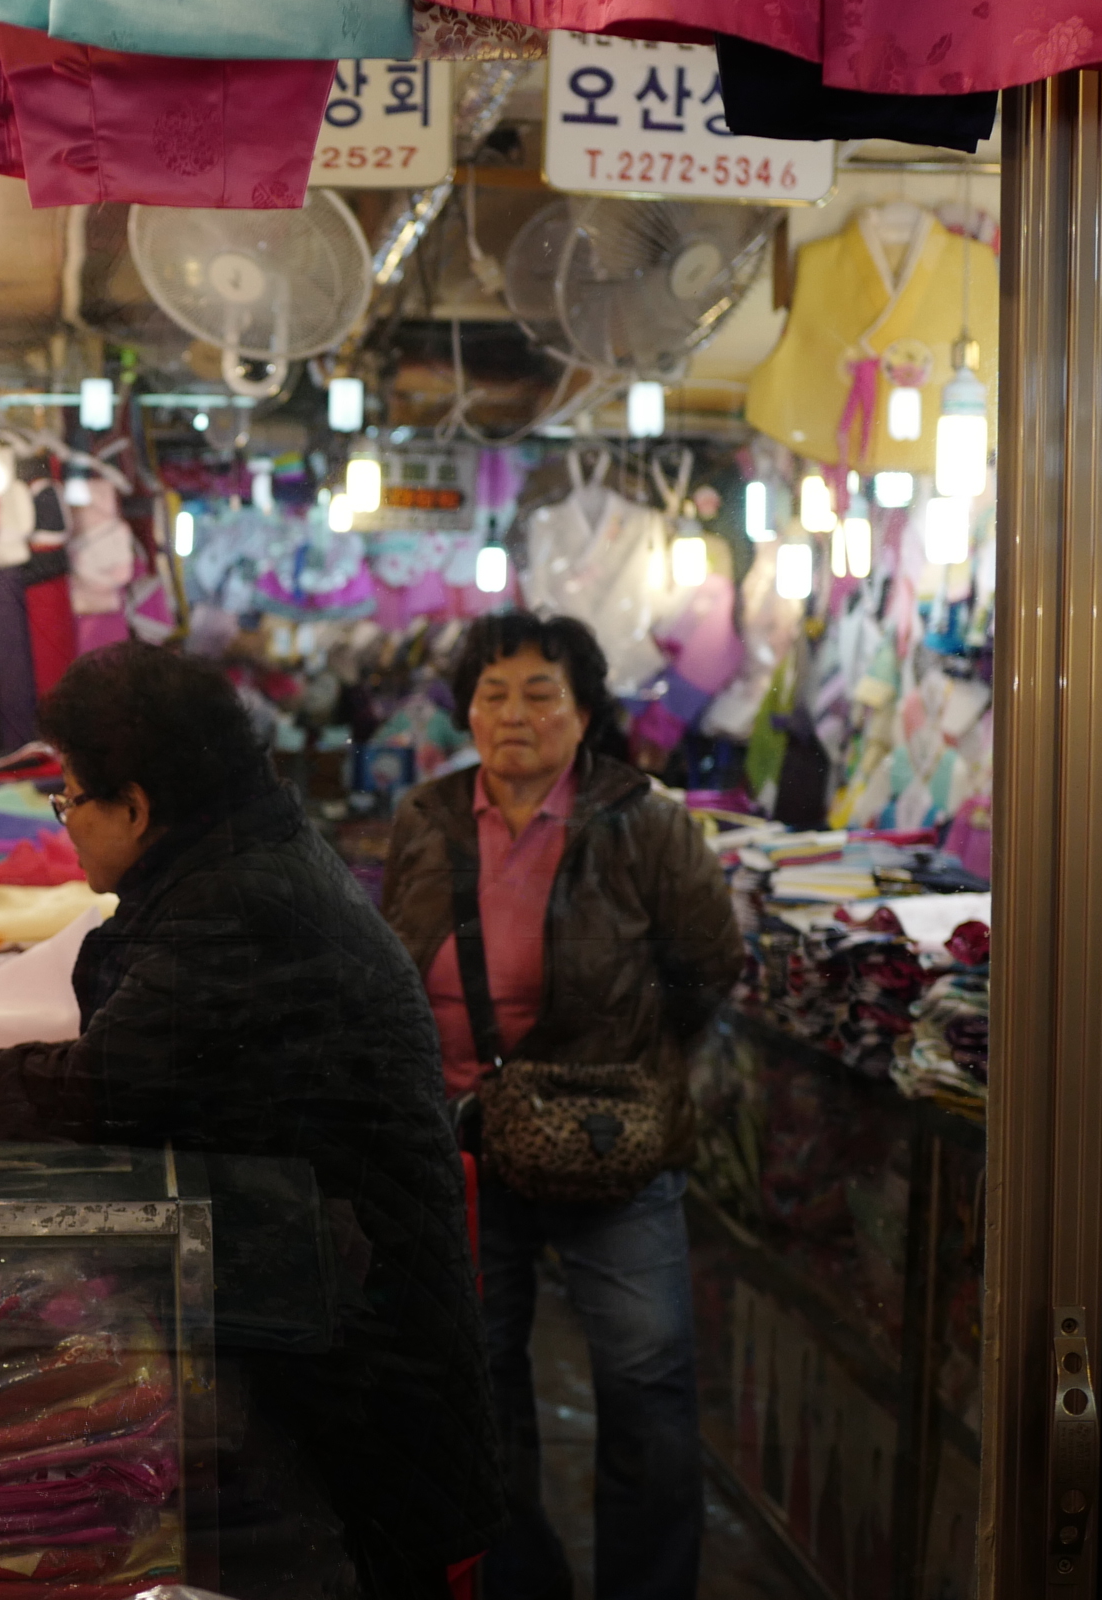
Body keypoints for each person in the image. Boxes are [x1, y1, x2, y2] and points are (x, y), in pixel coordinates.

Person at [0, 641, 503, 1600]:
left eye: (68, 801)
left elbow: (100, 1087)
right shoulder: (235, 861)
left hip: (360, 1371)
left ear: (136, 807)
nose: (63, 825)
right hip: (336, 1308)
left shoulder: (238, 902)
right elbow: (129, 1035)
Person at [378, 614, 741, 1600]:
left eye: (541, 693)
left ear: (583, 713)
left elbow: (710, 961)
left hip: (609, 1144)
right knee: (481, 1391)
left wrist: (623, 1063)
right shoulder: (427, 818)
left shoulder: (643, 823)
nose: (514, 714)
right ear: (466, 713)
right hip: (463, 1146)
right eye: (492, 694)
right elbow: (393, 958)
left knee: (646, 1388)